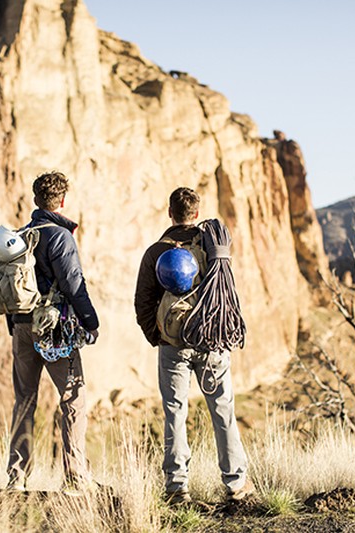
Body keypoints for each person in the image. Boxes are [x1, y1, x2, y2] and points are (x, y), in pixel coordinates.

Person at [133, 187, 255, 505]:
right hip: (212, 341)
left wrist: (157, 336)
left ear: (170, 213)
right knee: (223, 409)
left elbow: (142, 302)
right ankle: (236, 483)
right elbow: (227, 291)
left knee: (175, 411)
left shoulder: (155, 252)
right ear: (196, 214)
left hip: (173, 342)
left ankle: (176, 487)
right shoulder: (213, 248)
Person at [6, 171, 99, 494]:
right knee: (73, 398)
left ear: (36, 200)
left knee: (24, 400)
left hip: (21, 327)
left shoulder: (19, 236)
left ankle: (17, 476)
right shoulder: (60, 237)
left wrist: (15, 326)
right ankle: (75, 478)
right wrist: (90, 321)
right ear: (62, 201)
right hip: (55, 329)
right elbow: (74, 284)